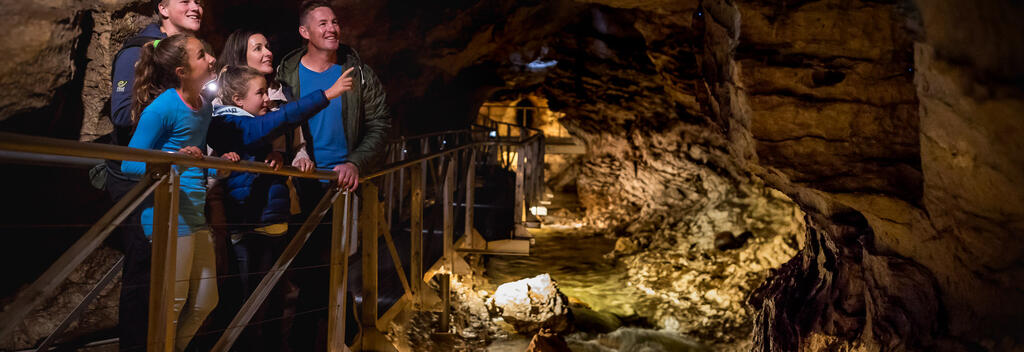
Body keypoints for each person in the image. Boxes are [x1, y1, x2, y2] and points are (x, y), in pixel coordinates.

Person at [205, 64, 353, 351]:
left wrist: (273, 154)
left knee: (272, 300)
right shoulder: (228, 121)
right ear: (237, 99)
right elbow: (267, 126)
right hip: (250, 224)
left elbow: (259, 138)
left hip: (270, 221)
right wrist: (327, 95)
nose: (267, 99)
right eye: (260, 93)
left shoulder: (247, 122)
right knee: (247, 301)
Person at [275, 0, 390, 349]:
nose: (332, 28)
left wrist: (356, 161)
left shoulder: (359, 73)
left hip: (343, 184)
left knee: (330, 264)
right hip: (299, 183)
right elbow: (276, 120)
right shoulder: (287, 74)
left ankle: (312, 338)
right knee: (309, 268)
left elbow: (380, 124)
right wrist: (292, 153)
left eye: (335, 22)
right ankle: (338, 330)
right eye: (322, 23)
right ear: (304, 32)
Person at [104, 1, 204, 350]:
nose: (196, 6)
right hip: (138, 180)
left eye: (199, 1)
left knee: (173, 280)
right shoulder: (137, 51)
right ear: (162, 8)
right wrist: (173, 106)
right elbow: (120, 113)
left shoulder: (191, 56)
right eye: (185, 0)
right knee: (144, 274)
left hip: (172, 177)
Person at [120, 33, 223, 351]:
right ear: (181, 71)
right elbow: (129, 164)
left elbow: (196, 155)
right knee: (173, 305)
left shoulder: (203, 105)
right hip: (168, 215)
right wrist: (174, 165)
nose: (211, 58)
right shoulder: (162, 108)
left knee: (207, 300)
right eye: (201, 55)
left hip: (194, 212)